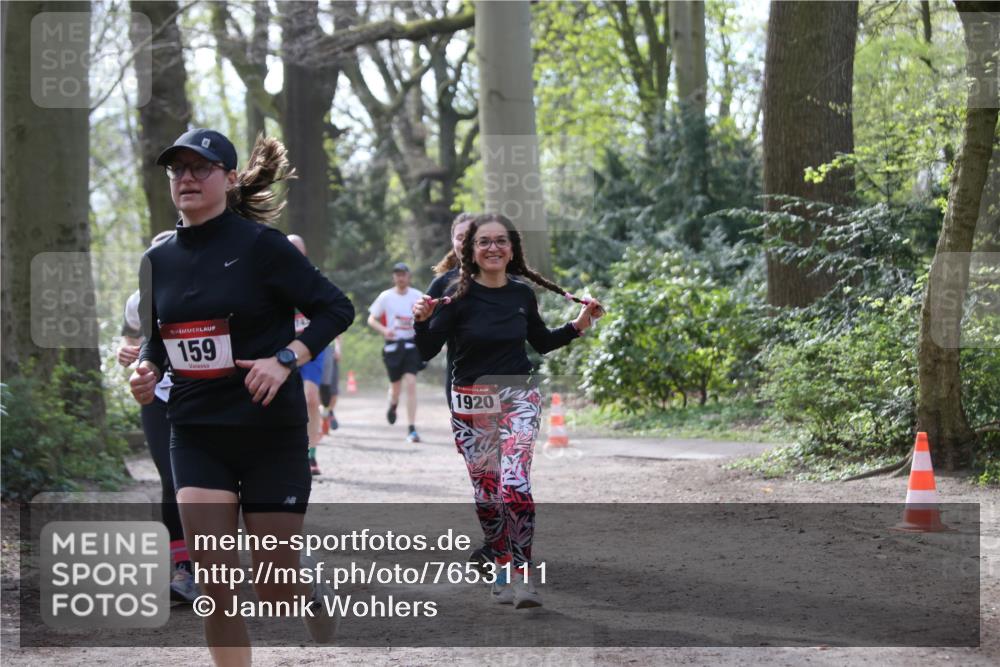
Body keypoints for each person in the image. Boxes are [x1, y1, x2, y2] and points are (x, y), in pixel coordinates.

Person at [129, 128, 354, 666]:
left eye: (200, 168)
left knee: (274, 585)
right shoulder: (157, 259)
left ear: (229, 179)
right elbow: (156, 339)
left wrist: (286, 358)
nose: (186, 178)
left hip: (268, 432)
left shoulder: (262, 247)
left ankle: (305, 589)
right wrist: (147, 368)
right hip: (196, 432)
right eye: (177, 169)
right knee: (216, 585)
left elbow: (336, 308)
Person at [413, 213, 603, 609]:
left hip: (518, 397)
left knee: (514, 484)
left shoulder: (521, 294)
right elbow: (426, 351)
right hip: (471, 402)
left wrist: (578, 324)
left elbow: (542, 341)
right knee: (488, 494)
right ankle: (500, 568)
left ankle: (524, 576)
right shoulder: (455, 297)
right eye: (484, 241)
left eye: (501, 240)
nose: (493, 248)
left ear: (512, 248)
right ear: (470, 251)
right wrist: (421, 323)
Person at [117, 230, 197, 602]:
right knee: (171, 478)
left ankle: (216, 556)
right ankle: (184, 568)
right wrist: (126, 351)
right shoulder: (138, 300)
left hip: (201, 395)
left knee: (205, 482)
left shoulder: (204, 289)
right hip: (158, 397)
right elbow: (130, 337)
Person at [367, 263, 425, 443]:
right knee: (395, 388)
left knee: (411, 383)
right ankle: (393, 404)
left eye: (403, 274)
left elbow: (428, 317)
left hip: (411, 346)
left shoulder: (417, 295)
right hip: (393, 347)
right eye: (397, 275)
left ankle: (412, 428)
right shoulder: (386, 296)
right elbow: (371, 319)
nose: (401, 278)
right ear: (393, 277)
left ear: (409, 277)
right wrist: (385, 330)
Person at [286, 234, 327, 475]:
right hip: (283, 347)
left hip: (311, 346)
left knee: (311, 397)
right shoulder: (270, 276)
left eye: (298, 252)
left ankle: (311, 454)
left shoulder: (314, 278)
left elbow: (330, 310)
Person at [319, 335, 341, 430]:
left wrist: (338, 349)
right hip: (313, 351)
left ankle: (329, 412)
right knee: (317, 388)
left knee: (332, 390)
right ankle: (324, 415)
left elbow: (338, 335)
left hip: (329, 350)